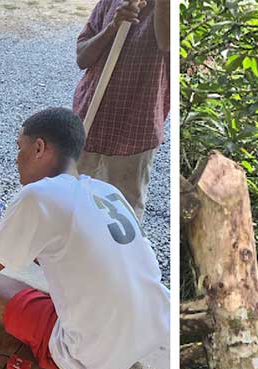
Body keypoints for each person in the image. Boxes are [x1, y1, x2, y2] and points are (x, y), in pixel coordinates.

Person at [0, 107, 169, 369]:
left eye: (20, 148)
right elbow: (72, 252)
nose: (17, 159)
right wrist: (2, 241)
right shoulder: (107, 192)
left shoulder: (39, 195)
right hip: (146, 335)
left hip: (91, 357)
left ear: (39, 148)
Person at [73, 0, 170, 222]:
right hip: (89, 122)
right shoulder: (111, 3)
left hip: (135, 133)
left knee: (122, 217)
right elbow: (82, 57)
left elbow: (166, 43)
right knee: (74, 205)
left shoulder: (168, 9)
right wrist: (112, 28)